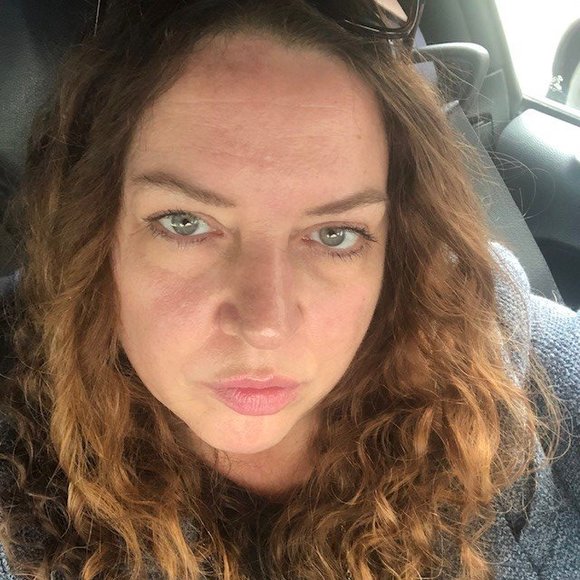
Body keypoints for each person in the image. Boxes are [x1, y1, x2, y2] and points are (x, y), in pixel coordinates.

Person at [0, 1, 578, 578]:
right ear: (94, 231)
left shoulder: (509, 365)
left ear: (399, 245)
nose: (265, 326)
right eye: (185, 223)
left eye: (334, 234)